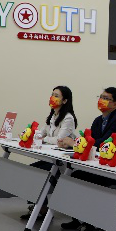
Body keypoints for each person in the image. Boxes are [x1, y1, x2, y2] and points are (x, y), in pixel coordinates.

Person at [60, 87, 116, 231]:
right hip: (102, 164)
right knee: (75, 176)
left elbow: (103, 144)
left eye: (106, 98)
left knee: (91, 180)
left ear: (115, 104)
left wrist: (75, 143)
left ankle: (93, 222)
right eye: (101, 97)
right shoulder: (98, 120)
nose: (101, 100)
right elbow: (91, 142)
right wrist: (75, 144)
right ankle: (77, 218)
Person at [20, 85, 78, 222]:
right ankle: (41, 208)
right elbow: (40, 134)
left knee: (36, 173)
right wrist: (29, 135)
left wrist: (43, 139)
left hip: (63, 162)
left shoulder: (68, 118)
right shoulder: (53, 116)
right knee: (30, 171)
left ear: (65, 101)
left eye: (56, 96)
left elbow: (60, 140)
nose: (52, 98)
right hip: (52, 159)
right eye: (52, 95)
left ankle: (42, 209)